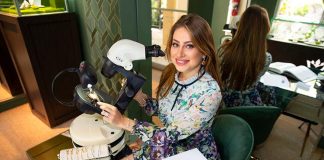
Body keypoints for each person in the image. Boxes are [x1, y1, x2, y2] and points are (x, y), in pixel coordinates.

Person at [96, 14, 223, 160]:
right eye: (176, 44)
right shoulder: (172, 73)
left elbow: (168, 135)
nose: (179, 53)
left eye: (189, 45)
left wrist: (124, 122)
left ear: (204, 51)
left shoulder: (210, 93)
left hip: (194, 154)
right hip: (167, 147)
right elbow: (164, 110)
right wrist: (141, 98)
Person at [219, 5, 276, 108]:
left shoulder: (224, 50)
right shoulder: (266, 58)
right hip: (248, 105)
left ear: (240, 25)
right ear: (266, 29)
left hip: (223, 100)